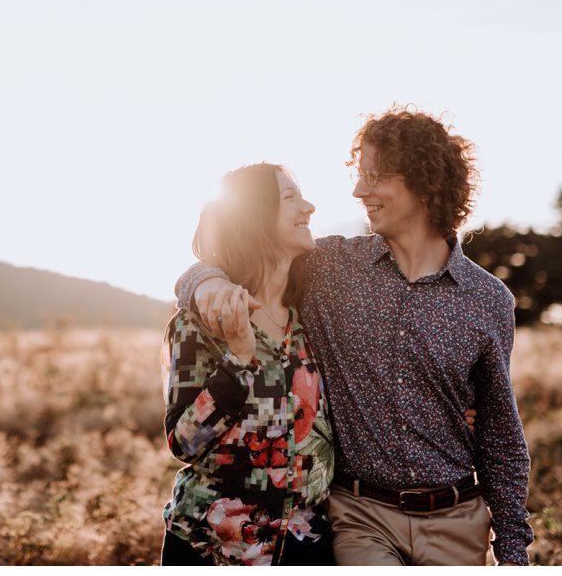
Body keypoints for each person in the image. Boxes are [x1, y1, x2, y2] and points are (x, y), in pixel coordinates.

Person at [177, 106, 533, 566]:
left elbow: (500, 436)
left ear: (424, 182)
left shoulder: (488, 300)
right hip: (360, 517)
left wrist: (512, 549)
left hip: (456, 520)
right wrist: (206, 283)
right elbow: (243, 251)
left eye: (374, 176)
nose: (358, 190)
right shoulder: (330, 268)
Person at [160, 163, 336, 566]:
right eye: (290, 198)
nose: (309, 207)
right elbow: (183, 442)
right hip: (213, 547)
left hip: (305, 544)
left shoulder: (311, 316)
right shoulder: (201, 321)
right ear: (255, 217)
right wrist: (239, 358)